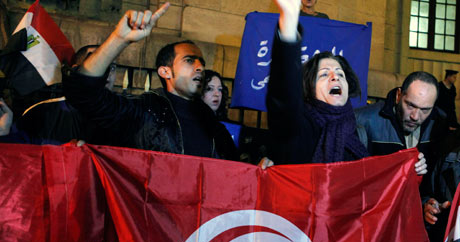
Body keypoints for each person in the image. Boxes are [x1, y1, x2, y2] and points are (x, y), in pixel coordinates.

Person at [63, 5, 238, 161]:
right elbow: (83, 92)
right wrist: (119, 39)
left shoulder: (214, 126)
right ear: (165, 71)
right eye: (190, 61)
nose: (200, 67)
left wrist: (260, 170)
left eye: (202, 62)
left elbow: (236, 174)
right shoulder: (144, 111)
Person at [267, 0, 368, 164]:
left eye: (340, 74)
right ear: (309, 87)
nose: (335, 77)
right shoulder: (297, 127)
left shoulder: (359, 132)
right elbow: (284, 94)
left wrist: (411, 169)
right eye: (324, 75)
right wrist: (289, 21)